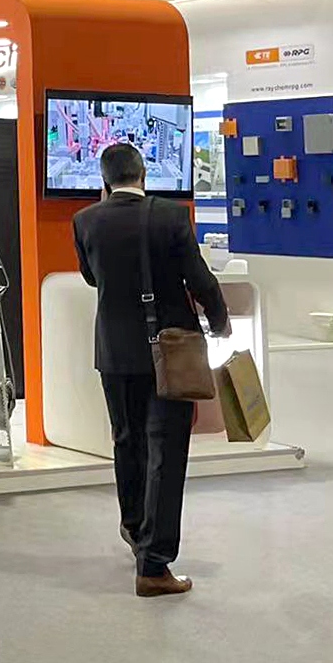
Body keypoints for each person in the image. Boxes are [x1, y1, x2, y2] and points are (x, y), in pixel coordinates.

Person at [73, 142, 230, 598]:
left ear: (104, 182)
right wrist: (219, 320)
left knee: (127, 440)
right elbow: (199, 278)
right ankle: (154, 564)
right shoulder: (171, 216)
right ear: (144, 174)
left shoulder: (85, 221)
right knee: (166, 450)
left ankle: (134, 527)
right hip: (171, 351)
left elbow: (91, 277)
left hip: (114, 352)